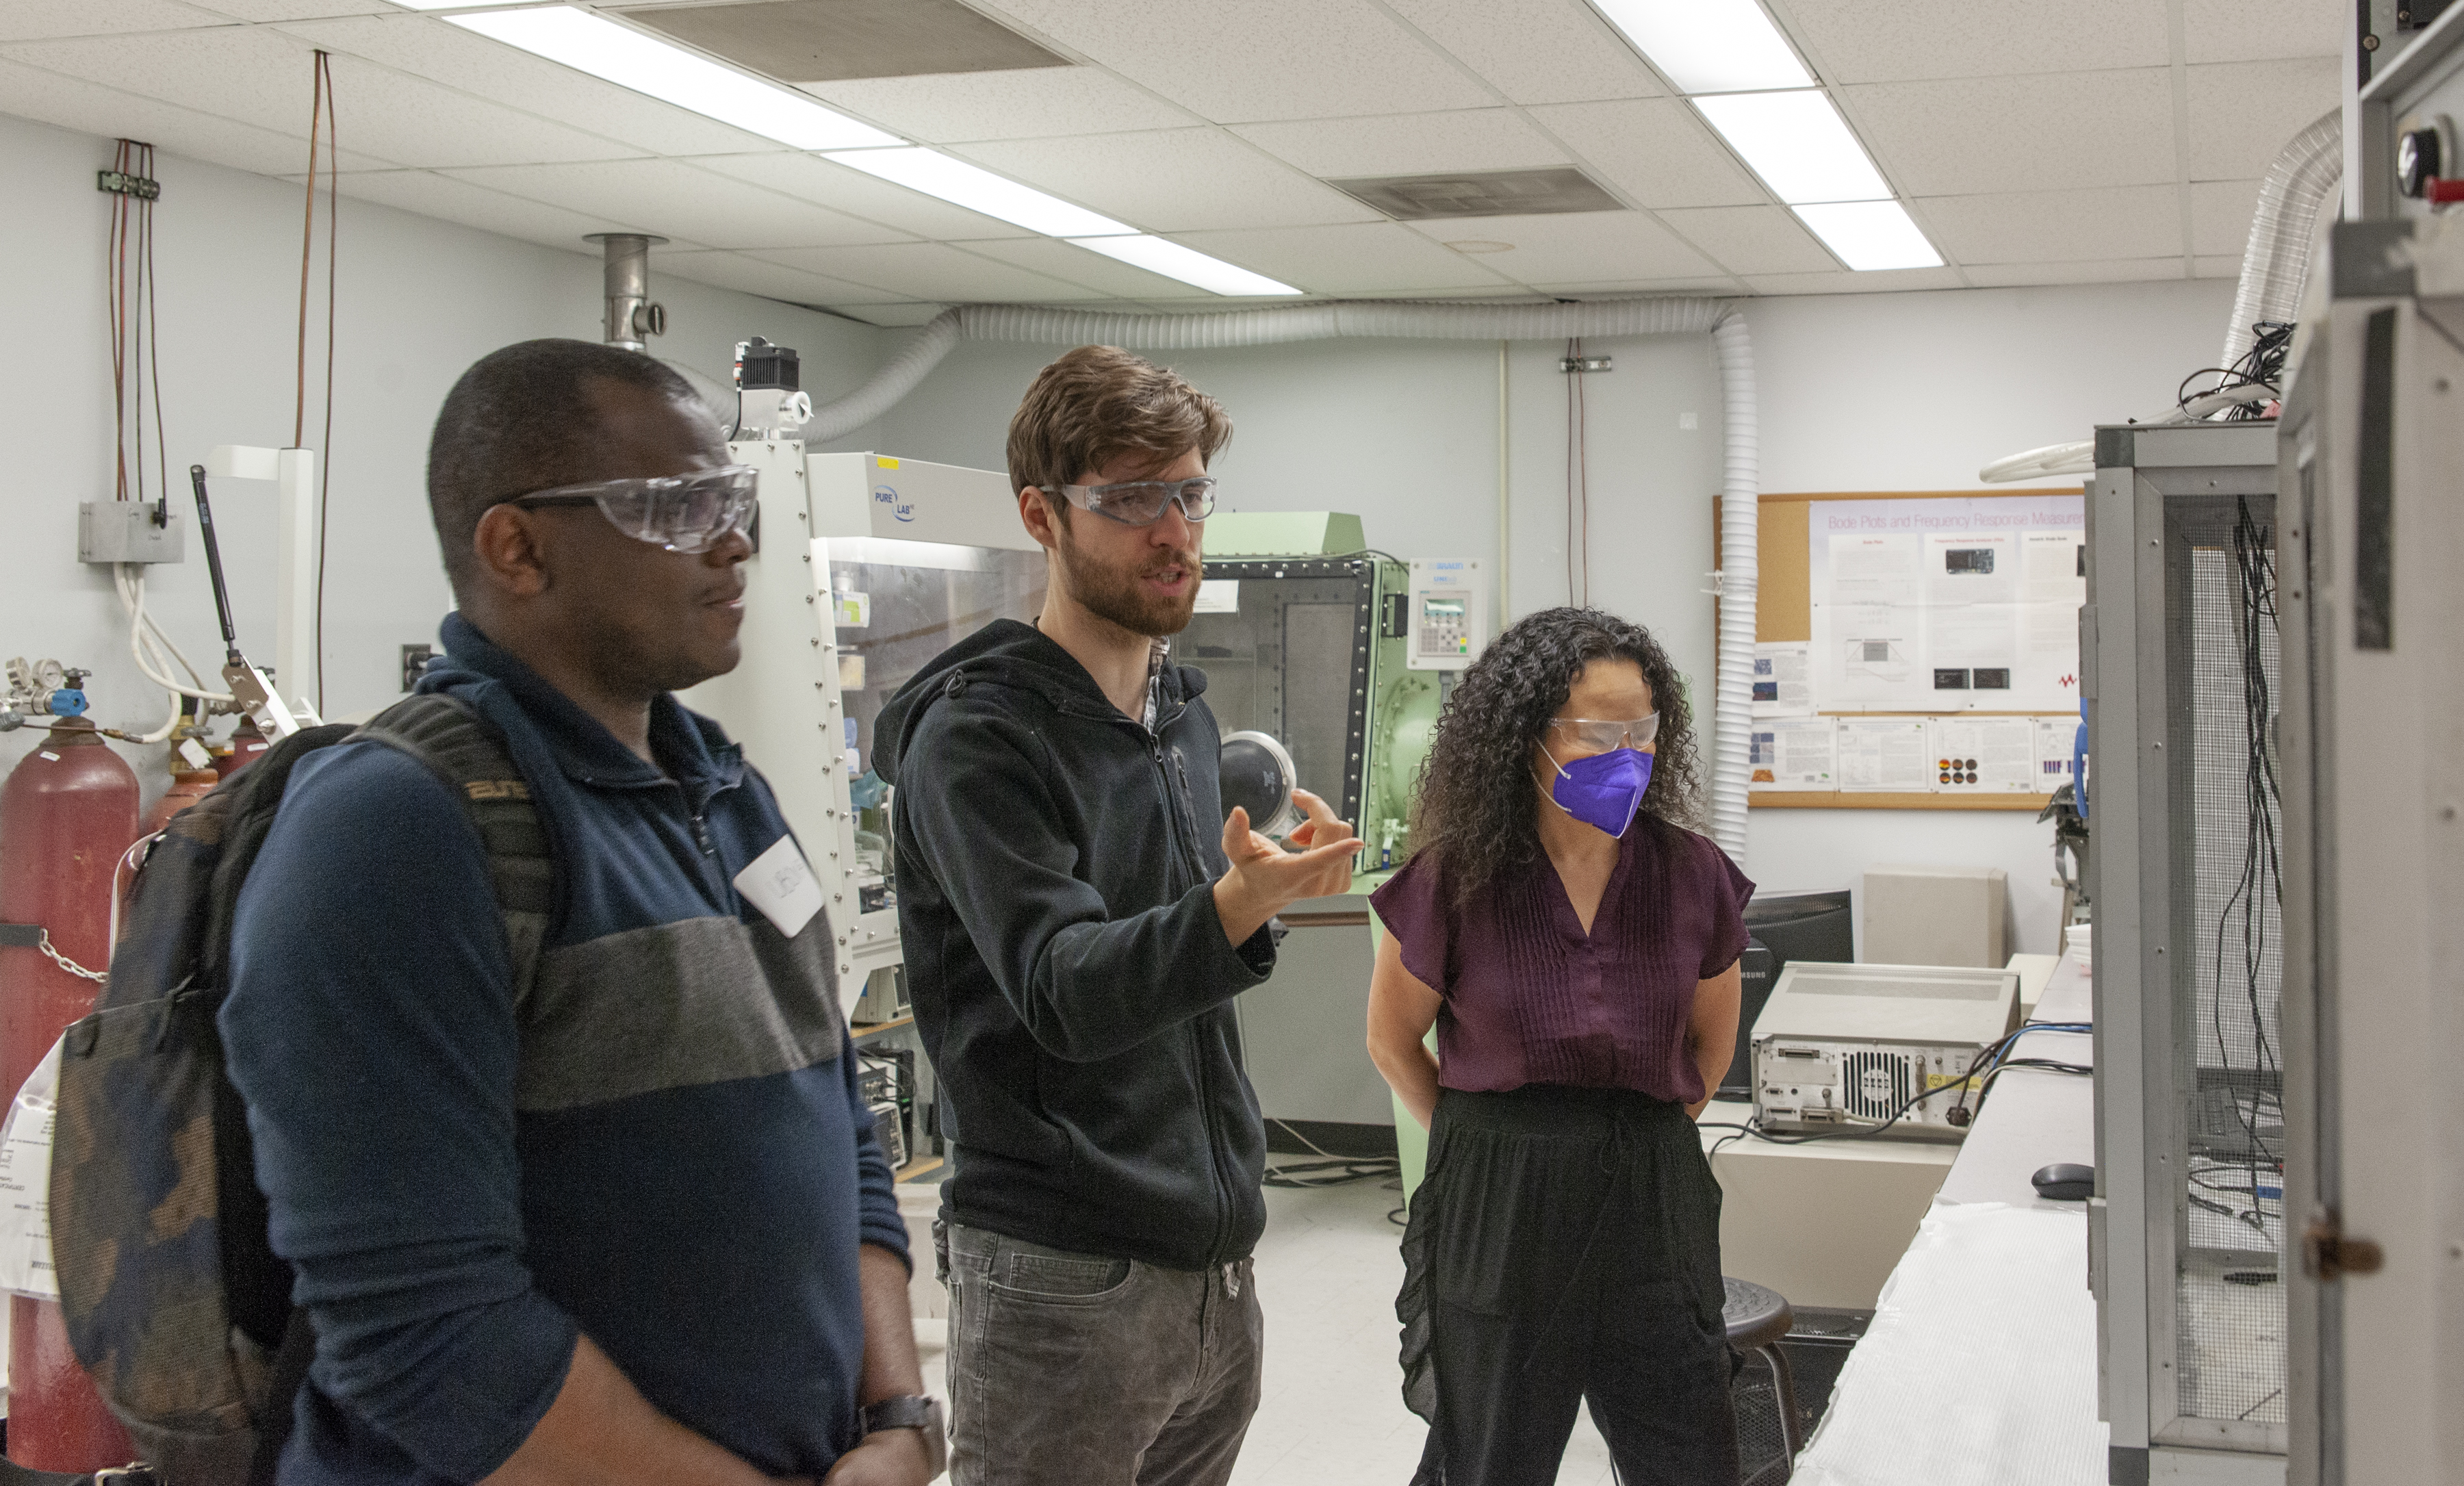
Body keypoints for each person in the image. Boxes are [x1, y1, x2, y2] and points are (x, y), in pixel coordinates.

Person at [222, 339, 936, 1486]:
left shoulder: (728, 790)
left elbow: (839, 1124)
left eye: (733, 497)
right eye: (676, 506)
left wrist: (900, 1417)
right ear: (516, 548)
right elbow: (424, 1333)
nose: (734, 538)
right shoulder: (396, 829)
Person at [873, 345, 1361, 1486]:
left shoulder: (1178, 717)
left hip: (1212, 1265)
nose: (1175, 530)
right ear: (1044, 516)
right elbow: (1065, 987)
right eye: (1133, 499)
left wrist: (1251, 895)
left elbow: (1170, 951)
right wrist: (1237, 905)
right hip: (1060, 1275)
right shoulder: (979, 741)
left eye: (1190, 493)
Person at [1365, 607, 1751, 1486]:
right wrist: (1486, 1140)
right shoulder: (1454, 876)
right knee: (1494, 1450)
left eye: (1642, 728)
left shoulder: (1692, 872)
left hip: (1652, 1192)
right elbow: (1392, 1039)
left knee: (1690, 1445)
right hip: (1501, 1200)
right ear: (1524, 736)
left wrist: (1627, 1137)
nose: (1627, 751)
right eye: (1596, 731)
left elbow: (1712, 1045)